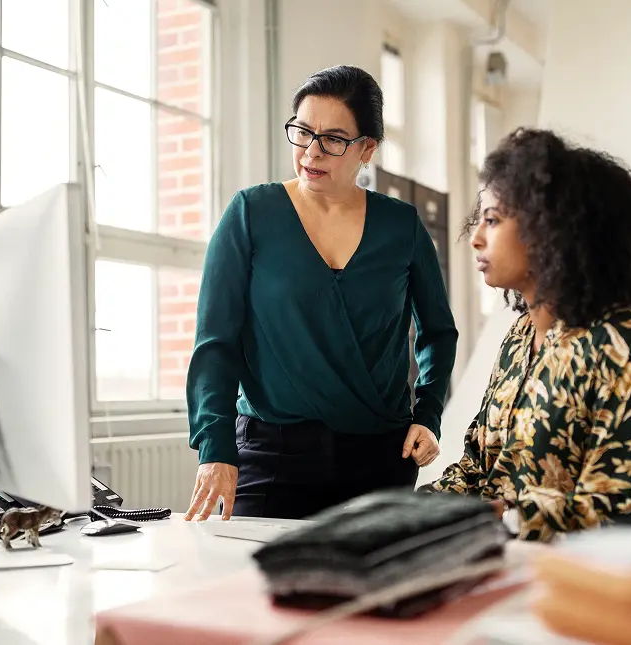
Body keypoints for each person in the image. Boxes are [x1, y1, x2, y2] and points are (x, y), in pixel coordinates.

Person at [184, 66, 458, 522]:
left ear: (367, 148)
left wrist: (428, 414)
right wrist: (215, 446)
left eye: (333, 138)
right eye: (302, 132)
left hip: (379, 458)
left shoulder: (402, 226)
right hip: (270, 454)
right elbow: (216, 342)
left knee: (375, 592)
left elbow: (437, 331)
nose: (312, 151)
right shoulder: (251, 213)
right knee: (250, 588)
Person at [420, 128, 631, 542]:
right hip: (493, 562)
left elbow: (619, 509)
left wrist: (500, 518)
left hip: (572, 580)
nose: (475, 237)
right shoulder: (519, 337)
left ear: (550, 230)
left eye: (492, 220)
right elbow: (477, 469)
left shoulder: (623, 343)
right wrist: (403, 512)